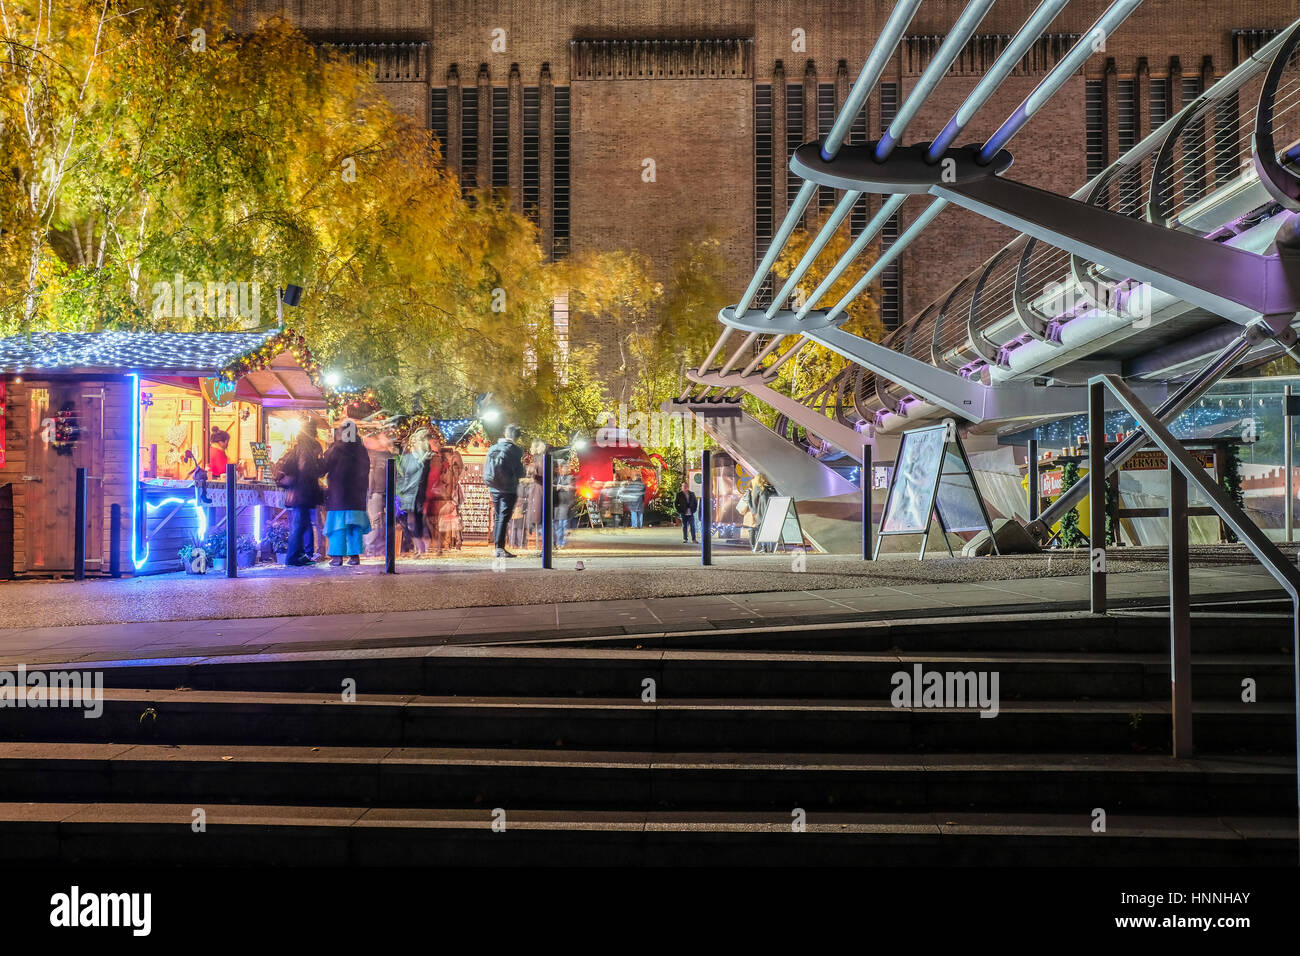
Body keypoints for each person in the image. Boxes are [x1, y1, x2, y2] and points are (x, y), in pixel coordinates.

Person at [274, 419, 324, 566]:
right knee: (300, 524)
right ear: (313, 433)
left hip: (298, 491)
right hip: (304, 491)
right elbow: (310, 469)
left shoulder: (298, 447)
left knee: (303, 523)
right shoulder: (311, 447)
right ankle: (292, 557)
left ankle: (301, 555)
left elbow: (292, 467)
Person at [322, 425, 372, 566]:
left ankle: (337, 557)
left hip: (338, 495)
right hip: (356, 496)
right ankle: (354, 557)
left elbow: (322, 468)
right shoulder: (361, 450)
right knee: (354, 527)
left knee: (338, 527)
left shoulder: (335, 449)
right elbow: (366, 469)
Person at [484, 423, 526, 558]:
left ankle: (498, 546)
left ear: (505, 434)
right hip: (508, 487)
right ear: (517, 437)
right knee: (503, 516)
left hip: (494, 486)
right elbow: (520, 472)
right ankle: (500, 548)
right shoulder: (516, 450)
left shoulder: (493, 448)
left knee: (498, 516)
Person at [396, 428, 433, 557]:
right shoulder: (408, 458)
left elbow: (423, 476)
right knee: (408, 521)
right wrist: (401, 489)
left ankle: (420, 548)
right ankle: (418, 546)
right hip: (408, 494)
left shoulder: (425, 459)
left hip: (418, 494)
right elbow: (403, 475)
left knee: (416, 520)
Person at [362, 430, 397, 557]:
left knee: (381, 521)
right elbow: (370, 475)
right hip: (376, 492)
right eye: (383, 437)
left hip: (384, 492)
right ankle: (371, 548)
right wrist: (369, 492)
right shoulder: (372, 455)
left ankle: (380, 548)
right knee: (375, 521)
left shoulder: (387, 454)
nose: (386, 440)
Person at [743, 474, 779, 552]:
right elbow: (753, 500)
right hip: (760, 512)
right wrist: (754, 512)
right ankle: (762, 547)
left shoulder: (770, 488)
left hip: (770, 512)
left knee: (769, 530)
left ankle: (769, 548)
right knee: (757, 529)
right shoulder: (757, 487)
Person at [526, 441, 547, 545]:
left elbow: (541, 477)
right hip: (536, 490)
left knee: (538, 518)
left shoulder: (541, 460)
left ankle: (545, 544)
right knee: (536, 517)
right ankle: (543, 543)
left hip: (539, 490)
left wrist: (532, 474)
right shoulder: (538, 459)